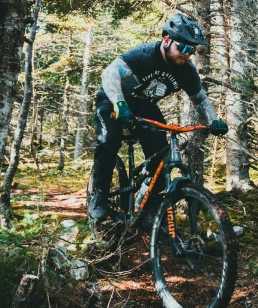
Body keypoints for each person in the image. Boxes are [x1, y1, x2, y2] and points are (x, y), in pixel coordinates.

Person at [88, 14, 228, 221]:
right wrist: (121, 105)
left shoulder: (186, 71)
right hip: (113, 99)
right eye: (183, 47)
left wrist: (213, 121)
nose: (187, 54)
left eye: (193, 50)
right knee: (109, 141)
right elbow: (109, 74)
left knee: (159, 153)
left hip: (144, 106)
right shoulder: (144, 54)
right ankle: (98, 194)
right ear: (166, 40)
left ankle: (150, 207)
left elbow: (200, 99)